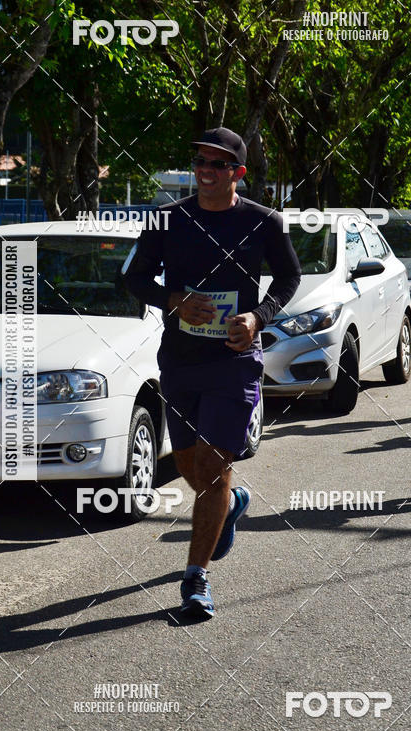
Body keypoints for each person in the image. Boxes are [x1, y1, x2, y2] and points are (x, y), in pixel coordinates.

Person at [123, 127, 301, 617]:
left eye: (218, 164)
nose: (206, 170)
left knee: (214, 466)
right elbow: (134, 278)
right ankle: (232, 502)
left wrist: (258, 317)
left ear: (237, 172)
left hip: (233, 362)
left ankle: (195, 578)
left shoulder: (264, 222)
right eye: (200, 161)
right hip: (180, 362)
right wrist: (174, 299)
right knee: (190, 468)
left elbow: (289, 277)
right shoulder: (166, 220)